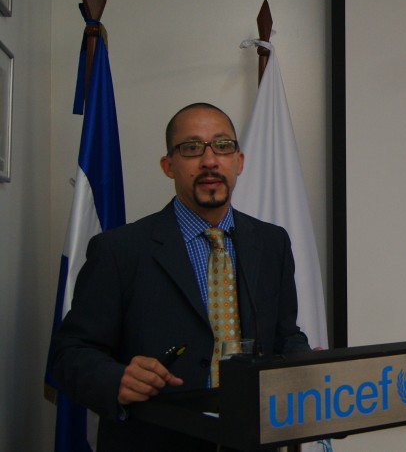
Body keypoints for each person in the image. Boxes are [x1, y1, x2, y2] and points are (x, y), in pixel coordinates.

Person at [52, 102, 312, 451]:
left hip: (251, 438)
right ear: (168, 166)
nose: (209, 160)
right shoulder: (119, 250)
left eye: (222, 146)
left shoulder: (271, 242)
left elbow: (285, 334)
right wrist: (116, 379)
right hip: (155, 441)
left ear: (239, 161)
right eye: (191, 148)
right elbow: (70, 353)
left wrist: (306, 362)